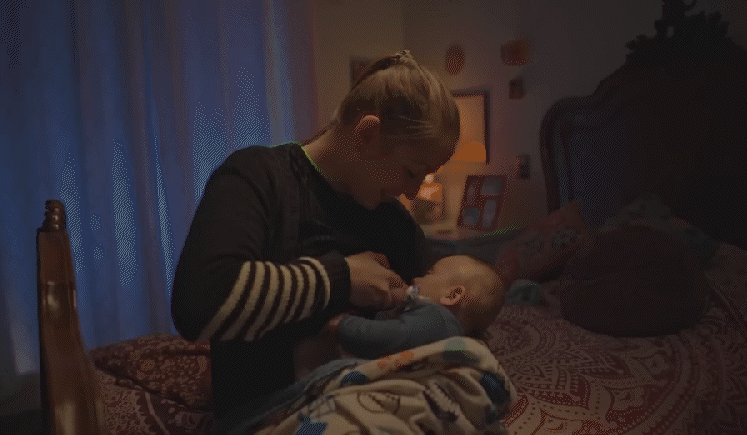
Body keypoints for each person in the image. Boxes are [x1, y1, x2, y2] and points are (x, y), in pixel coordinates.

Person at [170, 50, 461, 422]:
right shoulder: (258, 177)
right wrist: (341, 279)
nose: (413, 192)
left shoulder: (392, 221)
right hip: (272, 417)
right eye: (410, 171)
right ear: (368, 134)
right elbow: (199, 305)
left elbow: (443, 309)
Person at [292, 254, 506, 379]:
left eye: (430, 273)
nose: (417, 278)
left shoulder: (437, 317)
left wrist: (344, 325)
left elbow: (386, 338)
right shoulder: (444, 329)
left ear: (452, 295)